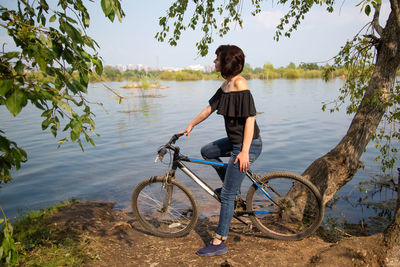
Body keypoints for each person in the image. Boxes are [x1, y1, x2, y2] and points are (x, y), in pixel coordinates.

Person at [178, 45, 262, 256]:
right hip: (235, 143)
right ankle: (230, 187)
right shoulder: (225, 85)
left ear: (226, 61)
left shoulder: (240, 83)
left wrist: (244, 152)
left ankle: (219, 242)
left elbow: (250, 119)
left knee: (226, 196)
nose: (214, 62)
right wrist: (191, 125)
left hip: (248, 144)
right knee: (208, 151)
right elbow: (208, 109)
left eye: (217, 59)